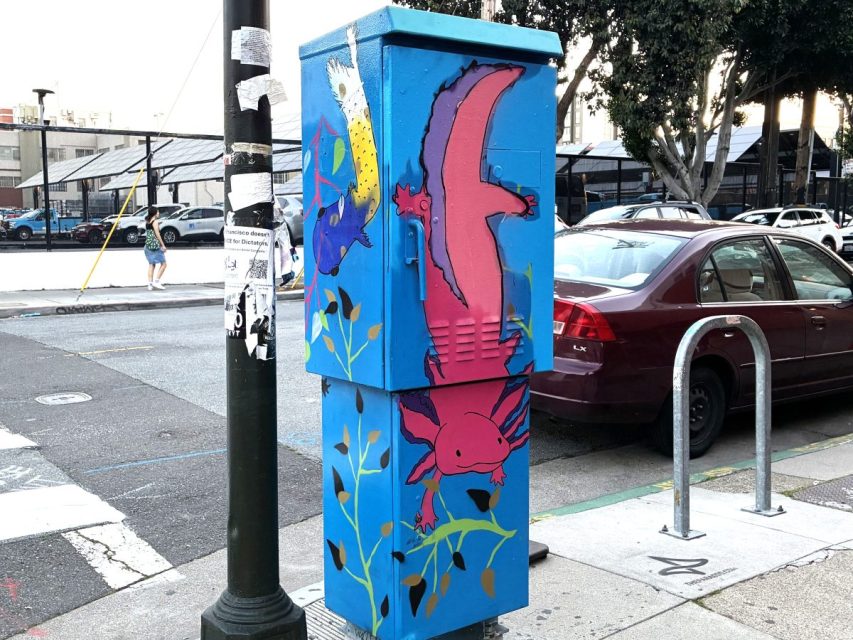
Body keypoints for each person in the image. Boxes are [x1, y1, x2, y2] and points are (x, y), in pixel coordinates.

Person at [143, 206, 168, 290]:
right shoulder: (155, 222)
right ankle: (157, 282)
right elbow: (157, 234)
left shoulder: (147, 221)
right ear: (154, 213)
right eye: (157, 212)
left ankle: (150, 284)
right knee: (164, 264)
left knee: (151, 264)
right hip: (155, 245)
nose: (158, 213)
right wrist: (163, 245)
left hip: (148, 245)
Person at [274, 206, 297, 287]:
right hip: (279, 224)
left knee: (285, 249)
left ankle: (286, 274)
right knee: (286, 249)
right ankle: (286, 274)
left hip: (277, 225)